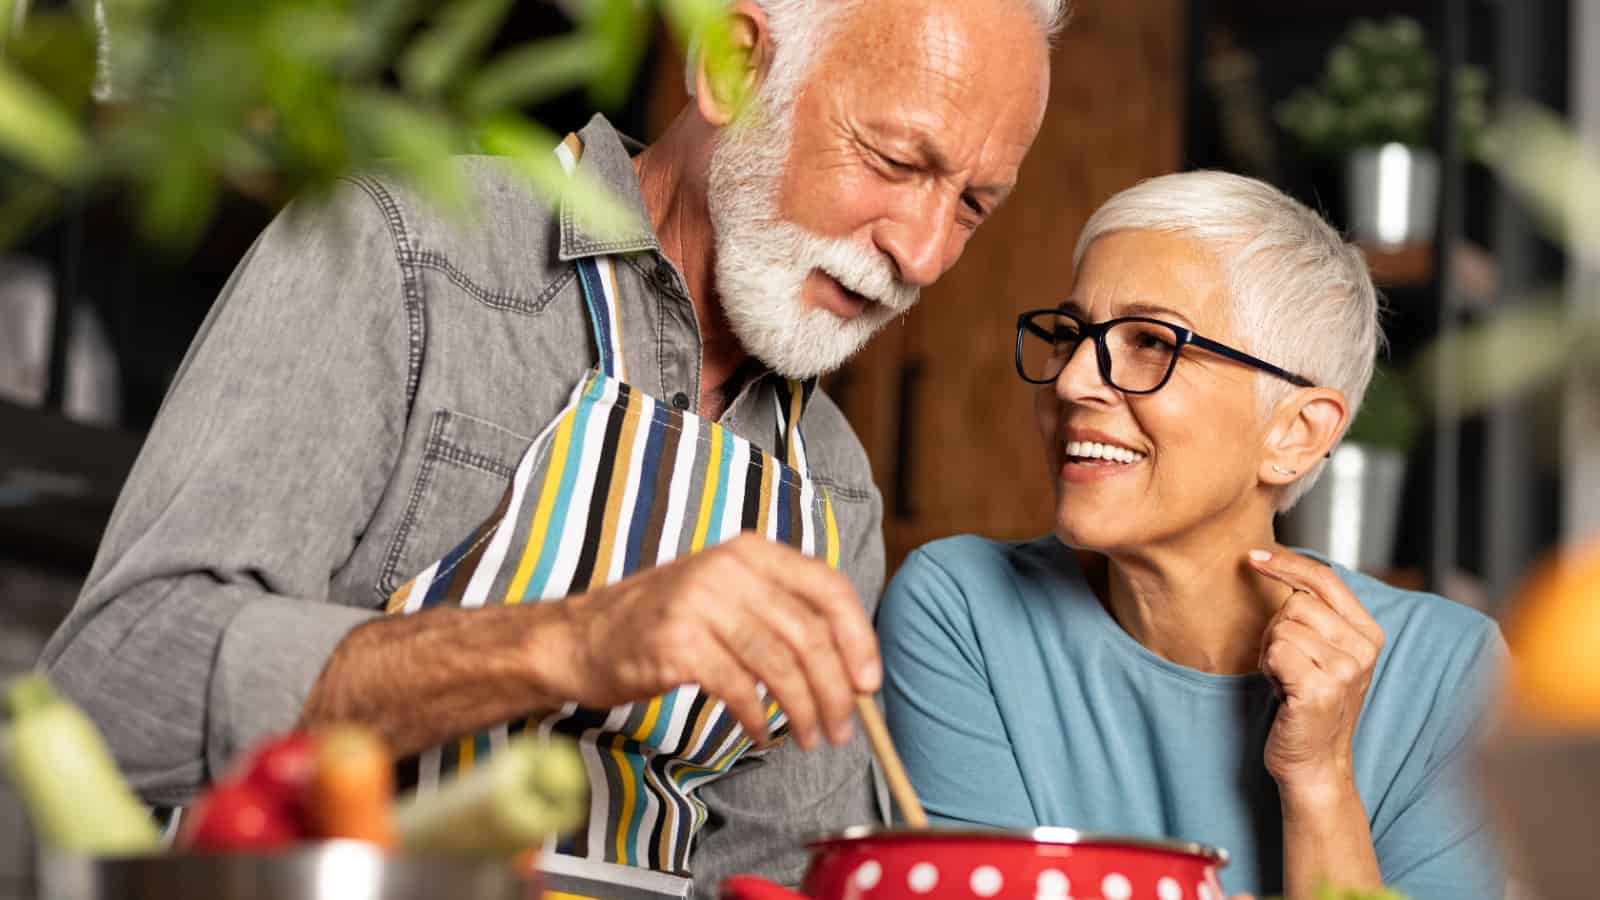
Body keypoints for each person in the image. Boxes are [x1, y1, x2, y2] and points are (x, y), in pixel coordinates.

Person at [39, 0, 1061, 893]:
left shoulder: (832, 490)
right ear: (733, 69)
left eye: (971, 203)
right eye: (893, 161)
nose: (921, 252)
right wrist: (567, 644)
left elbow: (766, 880)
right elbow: (111, 700)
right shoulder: (397, 253)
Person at [877, 172, 1507, 900]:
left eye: (1151, 341)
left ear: (1296, 434)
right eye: (1072, 334)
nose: (1074, 380)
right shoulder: (963, 610)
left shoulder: (1451, 675)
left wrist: (1320, 780)